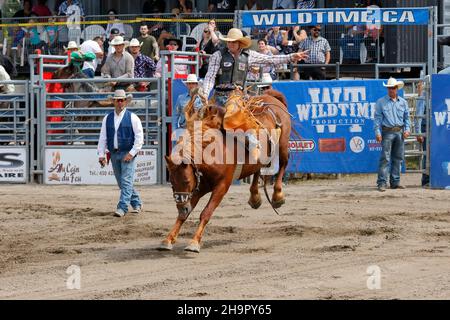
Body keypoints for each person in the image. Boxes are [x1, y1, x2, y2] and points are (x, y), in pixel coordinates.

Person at [201, 28, 308, 106]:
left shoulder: (249, 55)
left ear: (240, 43)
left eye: (234, 42)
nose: (231, 44)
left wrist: (291, 57)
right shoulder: (217, 55)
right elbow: (210, 77)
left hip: (239, 96)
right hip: (220, 95)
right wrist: (205, 94)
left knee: (254, 118)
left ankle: (251, 136)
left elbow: (270, 60)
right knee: (202, 116)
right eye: (229, 41)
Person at [97, 90, 144, 217]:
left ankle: (122, 207)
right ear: (113, 102)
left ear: (125, 101)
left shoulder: (133, 117)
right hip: (114, 153)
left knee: (126, 181)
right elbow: (103, 137)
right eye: (117, 100)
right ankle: (137, 202)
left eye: (122, 100)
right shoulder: (107, 118)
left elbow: (140, 138)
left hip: (127, 153)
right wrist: (101, 154)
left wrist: (132, 152)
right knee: (122, 182)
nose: (120, 103)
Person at [374, 77, 411, 192]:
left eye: (393, 88)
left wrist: (407, 129)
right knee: (385, 158)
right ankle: (382, 182)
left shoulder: (403, 103)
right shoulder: (381, 102)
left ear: (397, 89)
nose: (391, 90)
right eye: (389, 88)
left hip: (399, 132)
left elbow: (407, 118)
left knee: (398, 158)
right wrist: (377, 132)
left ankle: (395, 182)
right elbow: (377, 119)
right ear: (387, 89)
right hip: (387, 132)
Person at [414, 81, 430, 187]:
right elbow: (419, 114)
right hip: (427, 127)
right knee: (427, 153)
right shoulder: (424, 94)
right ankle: (426, 179)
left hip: (435, 126)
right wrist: (418, 132)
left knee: (429, 153)